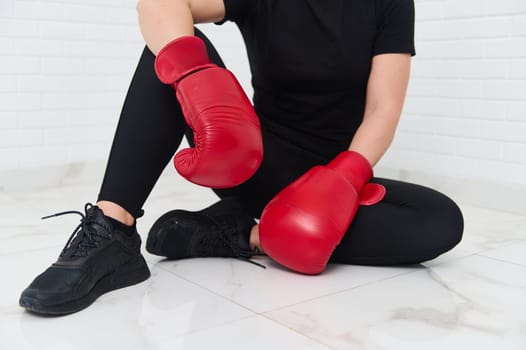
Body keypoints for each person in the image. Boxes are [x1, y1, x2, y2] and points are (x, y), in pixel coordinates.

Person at [19, 0, 464, 315]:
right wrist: (193, 76)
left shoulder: (389, 3)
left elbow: (382, 109)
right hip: (251, 161)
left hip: (332, 186)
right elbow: (158, 3)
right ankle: (112, 230)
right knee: (173, 46)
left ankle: (240, 234)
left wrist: (344, 177)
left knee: (439, 220)